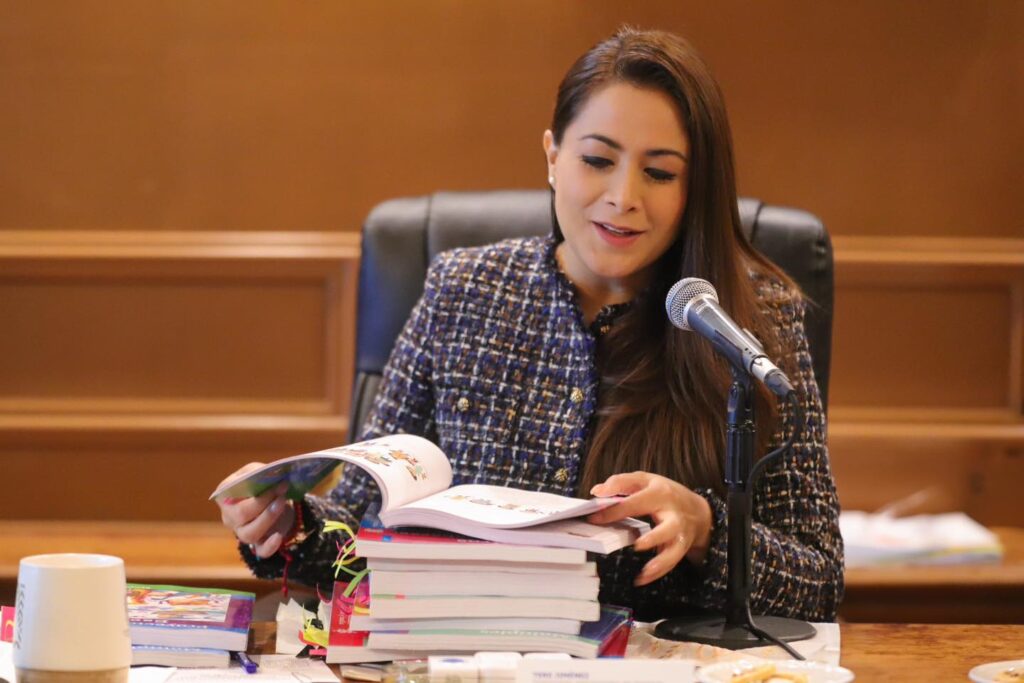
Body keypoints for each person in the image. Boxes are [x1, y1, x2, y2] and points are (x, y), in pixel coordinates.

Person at [217, 26, 844, 622]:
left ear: (695, 188)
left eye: (659, 172)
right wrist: (286, 524)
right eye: (597, 160)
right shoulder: (462, 291)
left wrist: (706, 528)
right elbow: (356, 535)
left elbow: (819, 580)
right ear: (552, 157)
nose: (623, 196)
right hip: (468, 661)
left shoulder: (749, 321)